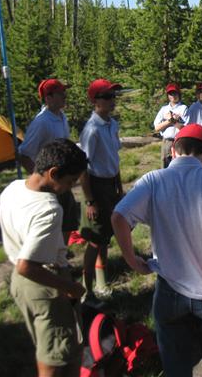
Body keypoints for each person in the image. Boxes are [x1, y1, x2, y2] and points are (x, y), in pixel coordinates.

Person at [111, 124, 202, 376]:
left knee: (176, 367)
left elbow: (119, 217)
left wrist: (132, 260)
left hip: (169, 289)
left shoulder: (153, 180)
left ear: (173, 150)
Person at [0, 139, 88, 377]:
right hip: (44, 284)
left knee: (47, 344)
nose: (70, 188)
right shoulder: (49, 209)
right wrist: (70, 287)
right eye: (70, 181)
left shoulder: (13, 188)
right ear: (54, 173)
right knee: (57, 355)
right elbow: (27, 266)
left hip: (22, 286)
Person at [79, 78, 124, 306]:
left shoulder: (112, 124)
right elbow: (83, 168)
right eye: (107, 96)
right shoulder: (92, 130)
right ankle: (86, 291)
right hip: (96, 186)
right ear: (95, 101)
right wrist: (90, 201)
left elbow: (114, 158)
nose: (112, 100)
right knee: (95, 239)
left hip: (111, 184)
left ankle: (101, 282)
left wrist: (119, 187)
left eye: (113, 96)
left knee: (105, 235)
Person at [18, 79, 78, 245]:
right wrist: (42, 181)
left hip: (63, 180)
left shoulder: (61, 116)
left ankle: (61, 255)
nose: (65, 96)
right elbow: (23, 154)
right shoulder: (41, 122)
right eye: (61, 93)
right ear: (48, 98)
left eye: (64, 92)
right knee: (51, 226)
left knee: (68, 221)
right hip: (49, 185)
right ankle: (51, 256)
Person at [153, 83, 188, 168]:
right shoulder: (163, 109)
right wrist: (170, 121)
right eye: (170, 94)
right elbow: (157, 128)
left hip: (180, 142)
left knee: (180, 166)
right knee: (165, 166)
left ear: (179, 94)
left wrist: (174, 121)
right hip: (167, 142)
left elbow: (186, 129)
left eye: (175, 93)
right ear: (168, 95)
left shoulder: (183, 108)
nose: (173, 96)